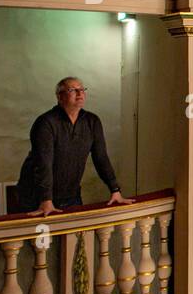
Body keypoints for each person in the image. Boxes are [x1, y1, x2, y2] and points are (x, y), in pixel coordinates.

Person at [17, 77, 129, 216]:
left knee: (74, 236)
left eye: (82, 89)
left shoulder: (92, 121)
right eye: (72, 90)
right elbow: (44, 163)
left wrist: (115, 190)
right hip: (36, 196)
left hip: (71, 195)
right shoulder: (46, 122)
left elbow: (101, 158)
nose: (79, 93)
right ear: (60, 96)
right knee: (41, 237)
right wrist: (45, 199)